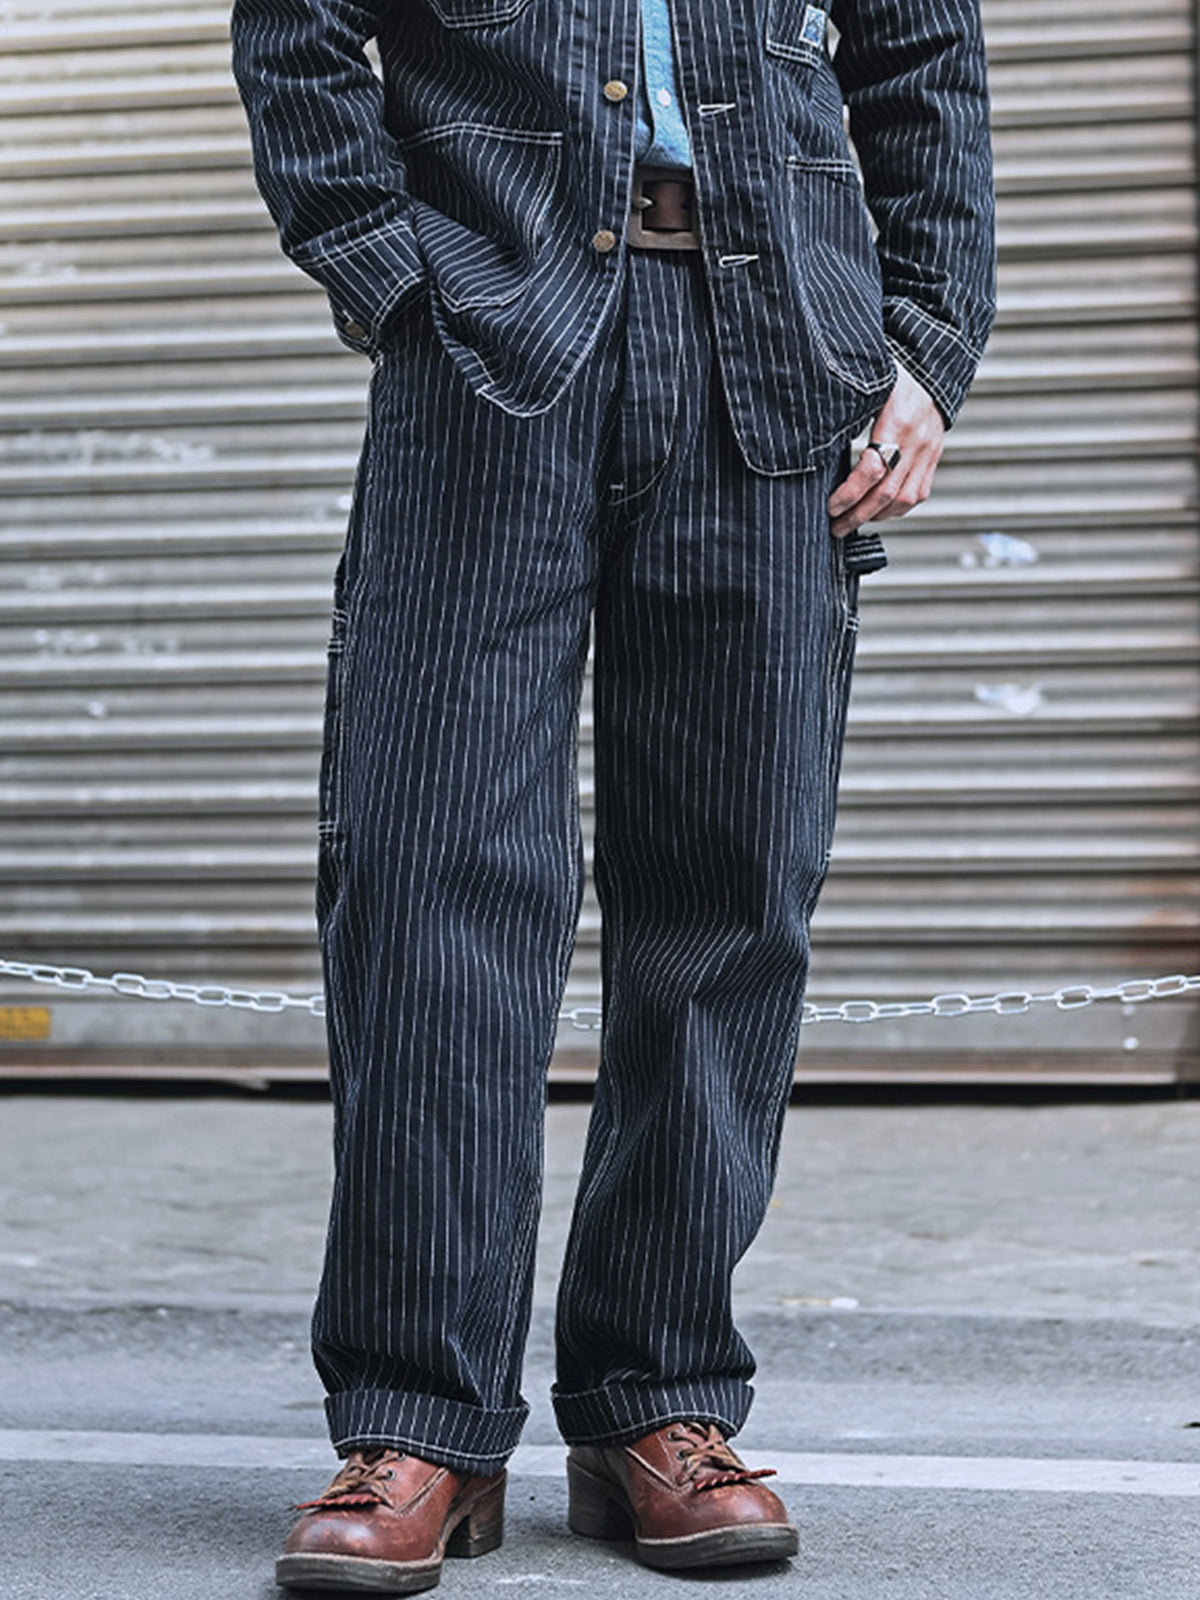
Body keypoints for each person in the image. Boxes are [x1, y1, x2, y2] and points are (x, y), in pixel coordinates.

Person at [231, 0, 995, 1588]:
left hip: (779, 347)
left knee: (731, 895)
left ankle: (656, 1400)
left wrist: (930, 340)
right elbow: (295, 30)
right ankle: (420, 1423)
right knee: (431, 878)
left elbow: (924, 55)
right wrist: (387, 273)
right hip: (484, 345)